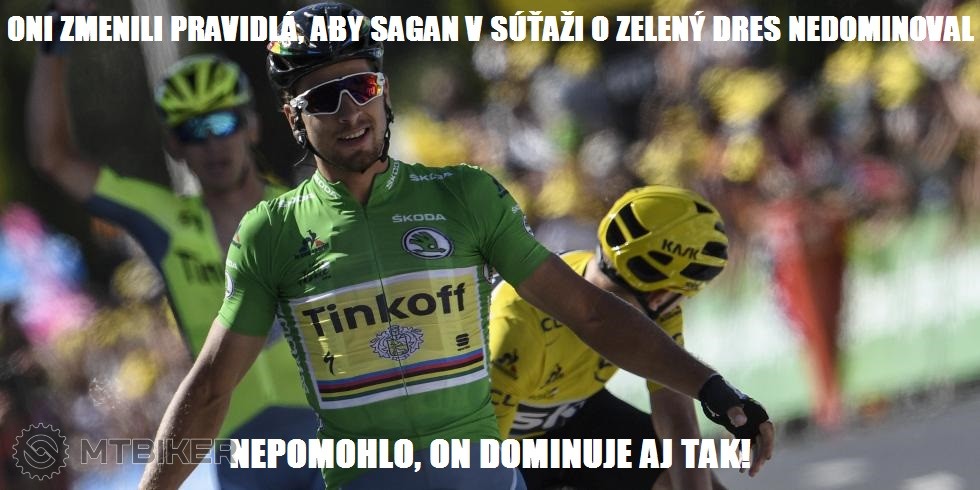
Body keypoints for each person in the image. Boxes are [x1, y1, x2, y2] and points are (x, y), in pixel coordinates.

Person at [137, 3, 774, 489]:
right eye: (324, 99)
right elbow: (212, 385)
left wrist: (714, 390)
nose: (351, 113)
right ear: (292, 118)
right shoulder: (270, 232)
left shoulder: (464, 195)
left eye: (363, 88)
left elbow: (590, 313)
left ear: (385, 90)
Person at [26, 2, 321, 488]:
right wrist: (56, 33)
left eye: (222, 123)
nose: (212, 144)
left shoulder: (304, 210)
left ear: (251, 124)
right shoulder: (164, 220)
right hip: (238, 445)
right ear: (174, 144)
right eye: (193, 130)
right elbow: (52, 157)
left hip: (325, 427)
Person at [489, 186, 732, 490]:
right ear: (659, 295)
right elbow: (473, 463)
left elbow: (676, 416)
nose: (679, 305)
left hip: (575, 414)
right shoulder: (515, 329)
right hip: (500, 442)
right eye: (685, 293)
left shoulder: (658, 311)